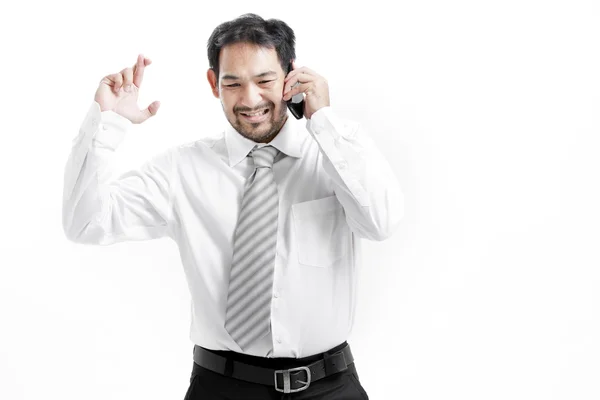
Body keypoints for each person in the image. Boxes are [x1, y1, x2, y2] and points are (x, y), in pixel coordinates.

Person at [62, 13, 403, 400]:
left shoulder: (336, 154)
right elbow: (84, 223)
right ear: (213, 84)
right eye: (233, 83)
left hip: (329, 388)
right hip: (221, 388)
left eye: (264, 80)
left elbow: (381, 222)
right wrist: (106, 124)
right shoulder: (182, 169)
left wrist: (322, 119)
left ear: (291, 76)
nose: (250, 99)